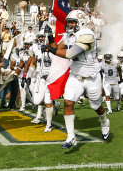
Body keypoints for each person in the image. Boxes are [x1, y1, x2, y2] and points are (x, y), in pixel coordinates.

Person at [43, 10, 110, 148]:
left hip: (91, 76)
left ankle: (104, 122)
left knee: (95, 106)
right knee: (68, 102)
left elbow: (70, 53)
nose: (70, 25)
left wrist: (49, 49)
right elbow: (57, 48)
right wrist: (50, 37)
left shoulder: (87, 35)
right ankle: (71, 137)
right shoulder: (68, 35)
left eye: (73, 22)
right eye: (69, 22)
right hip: (75, 75)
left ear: (81, 22)